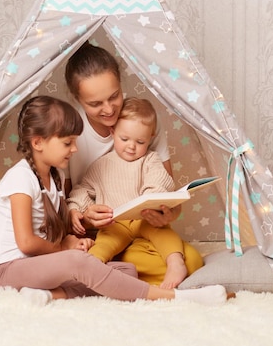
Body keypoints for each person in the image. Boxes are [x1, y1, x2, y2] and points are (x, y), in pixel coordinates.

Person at [0, 95, 227, 305]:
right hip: (8, 269)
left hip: (38, 266)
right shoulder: (20, 178)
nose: (75, 149)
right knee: (80, 263)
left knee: (127, 272)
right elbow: (26, 242)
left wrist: (71, 236)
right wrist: (64, 247)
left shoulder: (56, 176)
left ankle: (50, 295)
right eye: (68, 143)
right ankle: (176, 298)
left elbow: (52, 226)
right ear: (38, 143)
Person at [64, 42, 204, 286]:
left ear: (121, 86)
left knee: (191, 261)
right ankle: (108, 271)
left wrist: (165, 214)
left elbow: (167, 192)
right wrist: (81, 214)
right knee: (93, 253)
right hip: (103, 232)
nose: (108, 110)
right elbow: (67, 202)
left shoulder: (143, 118)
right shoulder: (69, 129)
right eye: (95, 104)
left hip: (145, 229)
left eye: (114, 96)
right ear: (77, 99)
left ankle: (115, 274)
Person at [67, 97, 189, 288]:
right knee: (103, 245)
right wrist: (76, 208)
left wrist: (151, 199)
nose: (131, 146)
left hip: (144, 220)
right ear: (113, 132)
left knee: (164, 234)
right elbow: (82, 189)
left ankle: (175, 263)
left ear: (150, 138)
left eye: (140, 141)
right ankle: (89, 272)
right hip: (115, 223)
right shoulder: (101, 165)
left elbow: (160, 182)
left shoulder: (151, 160)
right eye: (124, 139)